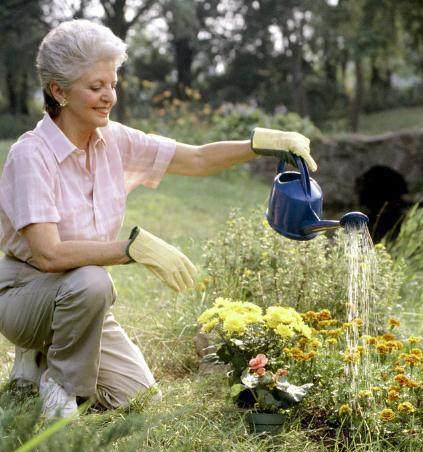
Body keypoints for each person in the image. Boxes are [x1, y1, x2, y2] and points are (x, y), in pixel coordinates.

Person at [0, 19, 317, 418]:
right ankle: (60, 390)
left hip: (79, 301)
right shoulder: (32, 155)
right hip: (25, 293)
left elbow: (197, 158)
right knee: (94, 280)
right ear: (59, 91)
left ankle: (41, 360)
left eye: (112, 84)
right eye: (95, 87)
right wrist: (132, 249)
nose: (108, 97)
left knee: (140, 398)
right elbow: (47, 255)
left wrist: (260, 143)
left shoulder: (113, 140)